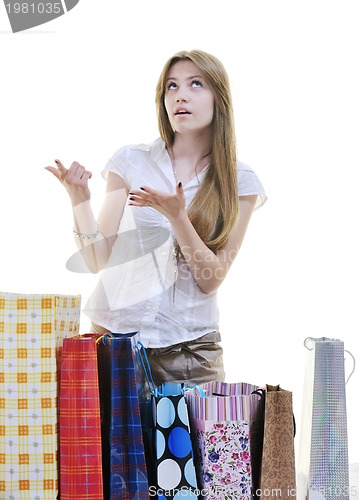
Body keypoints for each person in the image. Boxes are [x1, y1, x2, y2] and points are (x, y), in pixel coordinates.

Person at [46, 49, 266, 387]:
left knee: (194, 441)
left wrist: (179, 218)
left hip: (192, 355)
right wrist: (79, 201)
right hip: (116, 345)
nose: (180, 95)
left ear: (219, 98)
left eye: (196, 84)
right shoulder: (131, 161)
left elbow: (211, 277)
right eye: (171, 86)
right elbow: (95, 259)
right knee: (111, 443)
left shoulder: (240, 180)